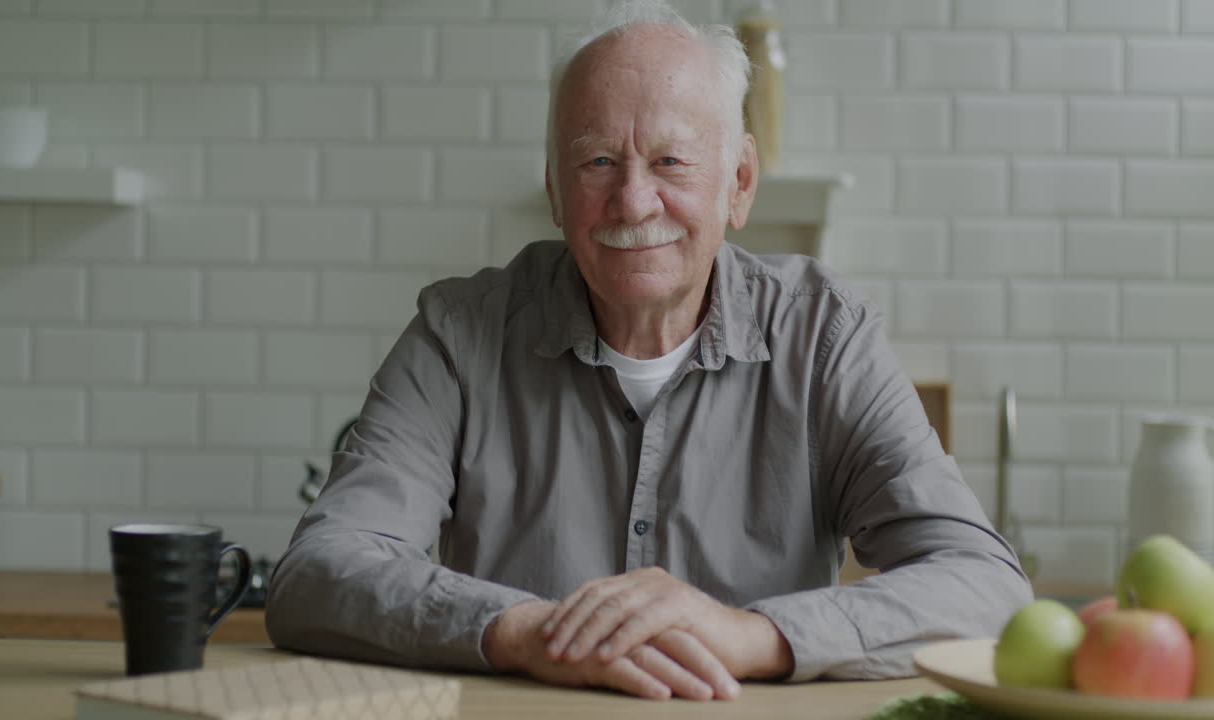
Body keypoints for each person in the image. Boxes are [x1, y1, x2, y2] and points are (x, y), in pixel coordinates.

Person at [266, 0, 1032, 702]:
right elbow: (318, 572)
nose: (633, 201)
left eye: (670, 161)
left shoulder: (826, 337)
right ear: (556, 188)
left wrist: (750, 635)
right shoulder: (459, 335)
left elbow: (986, 587)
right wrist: (530, 633)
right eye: (597, 161)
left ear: (739, 183)